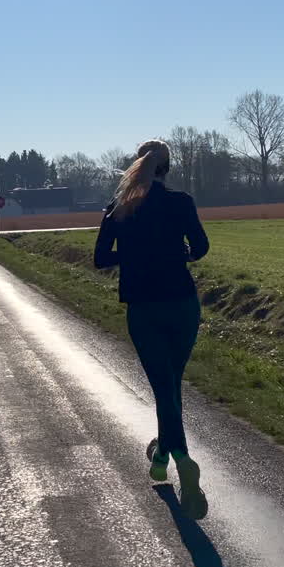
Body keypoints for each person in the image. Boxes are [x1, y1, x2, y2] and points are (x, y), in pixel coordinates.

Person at [94, 138, 210, 519]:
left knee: (164, 387)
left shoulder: (118, 208)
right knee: (170, 385)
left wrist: (131, 254)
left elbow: (100, 259)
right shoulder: (181, 203)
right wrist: (178, 254)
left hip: (143, 309)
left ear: (138, 165)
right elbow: (201, 247)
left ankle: (180, 458)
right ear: (167, 168)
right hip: (183, 304)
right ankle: (163, 457)